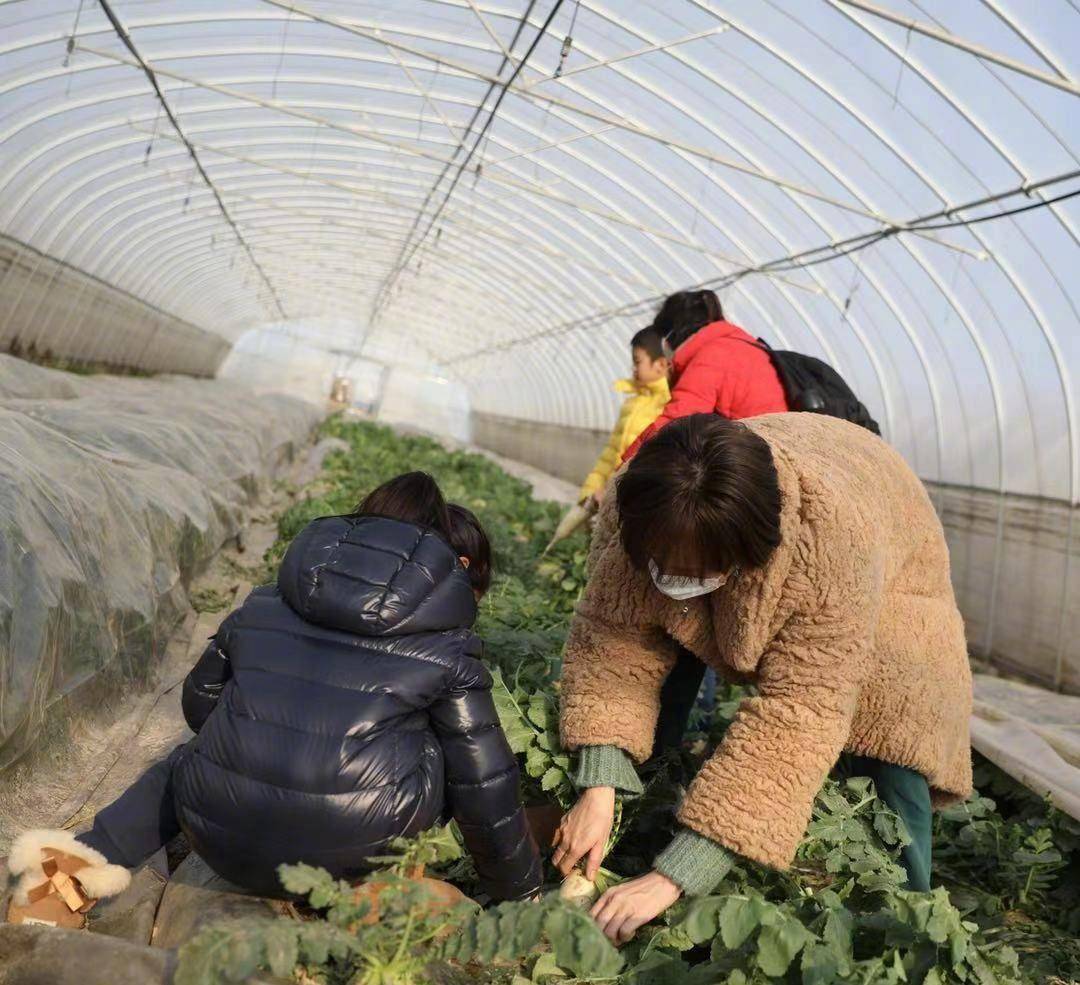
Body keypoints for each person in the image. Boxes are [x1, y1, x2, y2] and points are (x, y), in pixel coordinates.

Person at [7, 474, 541, 923]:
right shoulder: (446, 646)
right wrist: (522, 892)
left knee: (193, 757)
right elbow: (485, 787)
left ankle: (70, 876)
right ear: (438, 559)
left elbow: (199, 703)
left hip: (217, 835)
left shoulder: (265, 603)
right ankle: (383, 891)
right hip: (349, 856)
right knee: (451, 750)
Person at [554, 413, 973, 943]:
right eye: (664, 564)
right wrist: (600, 785)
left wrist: (675, 876)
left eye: (699, 570)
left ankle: (911, 924)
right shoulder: (636, 501)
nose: (678, 581)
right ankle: (638, 816)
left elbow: (799, 712)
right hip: (758, 515)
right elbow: (612, 643)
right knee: (659, 647)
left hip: (890, 549)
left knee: (893, 731)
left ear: (748, 553)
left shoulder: (830, 545)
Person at [621, 290, 788, 463]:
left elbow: (673, 425)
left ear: (670, 335)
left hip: (762, 460)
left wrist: (624, 467)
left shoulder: (712, 356)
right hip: (777, 449)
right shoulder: (744, 344)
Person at [578, 328, 670, 510]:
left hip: (638, 502)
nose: (634, 369)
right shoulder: (632, 403)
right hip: (610, 494)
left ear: (660, 364)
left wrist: (611, 491)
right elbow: (610, 454)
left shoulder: (670, 405)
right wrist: (591, 490)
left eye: (638, 362)